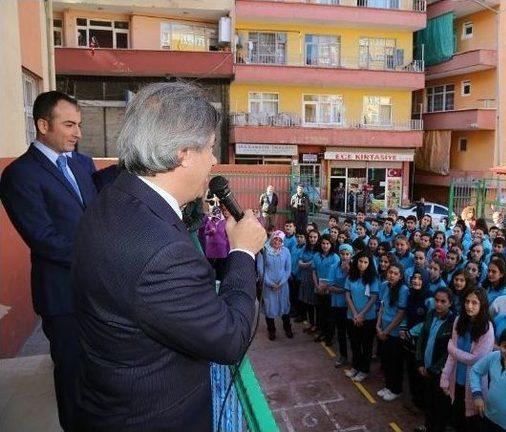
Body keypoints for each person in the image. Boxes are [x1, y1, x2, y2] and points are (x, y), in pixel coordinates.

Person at [71, 82, 266, 431]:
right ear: (183, 153)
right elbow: (230, 339)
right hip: (152, 417)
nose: (214, 160)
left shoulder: (112, 198)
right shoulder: (163, 254)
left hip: (107, 399)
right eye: (209, 148)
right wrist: (243, 252)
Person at [0, 91, 98, 431]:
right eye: (69, 125)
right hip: (61, 297)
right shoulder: (19, 175)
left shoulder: (80, 162)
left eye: (79, 125)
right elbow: (43, 239)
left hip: (94, 290)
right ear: (43, 125)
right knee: (71, 376)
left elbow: (97, 195)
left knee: (96, 370)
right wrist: (100, 254)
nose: (78, 134)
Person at [440, 288, 494, 432]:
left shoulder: (486, 328)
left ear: (482, 305)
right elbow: (453, 357)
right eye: (467, 301)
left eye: (474, 303)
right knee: (456, 417)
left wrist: (451, 348)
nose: (469, 306)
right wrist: (445, 376)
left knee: (471, 421)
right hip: (457, 379)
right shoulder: (459, 321)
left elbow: (476, 359)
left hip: (474, 384)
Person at [415, 288, 455, 432]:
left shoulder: (452, 322)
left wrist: (433, 370)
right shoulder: (431, 314)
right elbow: (422, 338)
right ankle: (427, 425)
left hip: (439, 373)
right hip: (425, 367)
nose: (438, 304)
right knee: (428, 401)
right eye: (436, 300)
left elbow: (448, 352)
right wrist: (419, 362)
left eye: (443, 301)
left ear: (450, 303)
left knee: (439, 405)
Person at [344, 251, 380, 382]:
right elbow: (347, 295)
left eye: (365, 262)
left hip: (368, 318)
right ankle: (355, 366)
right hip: (352, 316)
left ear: (369, 264)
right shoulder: (351, 277)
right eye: (360, 261)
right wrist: (354, 314)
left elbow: (373, 298)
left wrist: (362, 315)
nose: (362, 264)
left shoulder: (373, 279)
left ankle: (364, 370)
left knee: (366, 345)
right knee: (354, 343)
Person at [376, 262, 410, 401]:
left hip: (394, 332)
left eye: (396, 273)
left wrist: (387, 331)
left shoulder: (403, 290)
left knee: (395, 361)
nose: (392, 275)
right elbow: (382, 306)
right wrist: (378, 325)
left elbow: (401, 313)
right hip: (383, 328)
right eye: (390, 272)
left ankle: (396, 389)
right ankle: (388, 386)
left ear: (401, 276)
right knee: (386, 360)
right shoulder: (384, 285)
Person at [258, 230, 293, 341]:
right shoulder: (263, 251)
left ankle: (287, 328)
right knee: (270, 308)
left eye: (280, 240)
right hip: (268, 286)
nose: (277, 241)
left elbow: (288, 269)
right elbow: (260, 270)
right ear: (271, 238)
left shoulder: (286, 251)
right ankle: (271, 330)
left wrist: (281, 282)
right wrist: (270, 283)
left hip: (283, 286)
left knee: (285, 307)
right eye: (275, 238)